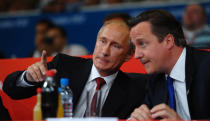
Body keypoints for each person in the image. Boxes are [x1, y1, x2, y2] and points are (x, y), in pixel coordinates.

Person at [3, 21, 146, 119]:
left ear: (128, 55)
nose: (104, 51)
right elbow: (12, 90)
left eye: (115, 46)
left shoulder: (136, 89)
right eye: (102, 41)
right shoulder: (64, 66)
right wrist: (28, 77)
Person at [128, 9, 210, 120]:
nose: (136, 55)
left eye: (142, 43)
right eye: (134, 46)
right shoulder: (154, 80)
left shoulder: (207, 67)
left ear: (169, 41)